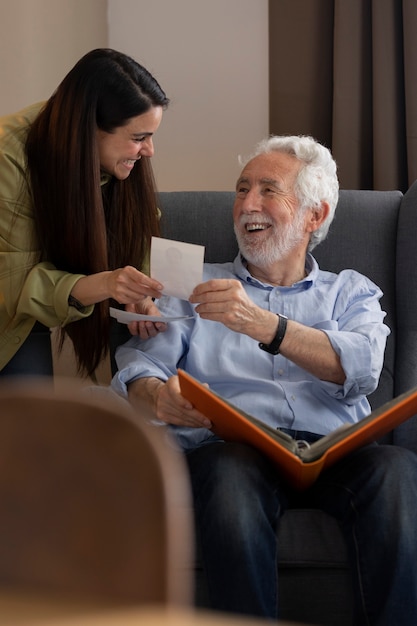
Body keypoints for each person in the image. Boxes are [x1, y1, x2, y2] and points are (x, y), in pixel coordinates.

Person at [111, 135, 417, 624]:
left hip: (337, 451)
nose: (246, 204)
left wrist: (262, 324)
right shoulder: (192, 286)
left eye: (267, 190)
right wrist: (156, 397)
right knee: (227, 472)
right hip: (233, 449)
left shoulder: (349, 292)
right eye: (241, 189)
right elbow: (141, 368)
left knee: (398, 470)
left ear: (314, 215)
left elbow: (361, 367)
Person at [0, 48, 169, 378]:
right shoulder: (9, 159)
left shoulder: (109, 162)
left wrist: (138, 292)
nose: (150, 150)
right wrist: (107, 283)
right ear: (90, 128)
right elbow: (14, 289)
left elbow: (136, 229)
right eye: (139, 138)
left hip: (23, 310)